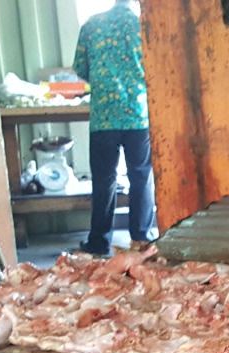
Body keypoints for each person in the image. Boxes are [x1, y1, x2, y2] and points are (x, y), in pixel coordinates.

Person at [73, 0, 154, 256]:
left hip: (103, 117)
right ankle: (140, 239)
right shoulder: (145, 25)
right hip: (138, 114)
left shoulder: (92, 25)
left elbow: (81, 68)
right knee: (140, 177)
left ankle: (99, 242)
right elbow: (157, 67)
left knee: (104, 179)